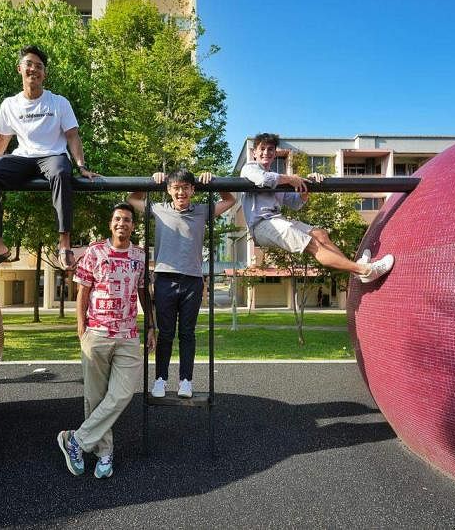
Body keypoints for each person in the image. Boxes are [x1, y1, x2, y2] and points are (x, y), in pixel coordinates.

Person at [0, 45, 98, 274]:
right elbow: (1, 140)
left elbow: (73, 135)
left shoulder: (59, 102)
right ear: (20, 69)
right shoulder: (10, 104)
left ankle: (64, 244)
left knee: (63, 173)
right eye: (30, 65)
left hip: (53, 156)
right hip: (23, 158)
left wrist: (81, 166)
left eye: (39, 67)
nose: (34, 69)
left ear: (45, 73)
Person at [57, 203, 155, 479]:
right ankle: (104, 453)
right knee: (95, 397)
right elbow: (82, 291)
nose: (121, 223)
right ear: (110, 224)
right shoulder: (95, 251)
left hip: (127, 337)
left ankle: (75, 440)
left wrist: (151, 327)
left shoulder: (139, 255)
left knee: (122, 394)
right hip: (97, 334)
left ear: (133, 226)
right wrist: (81, 328)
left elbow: (144, 293)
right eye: (117, 219)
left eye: (127, 219)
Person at [128, 170, 235, 399]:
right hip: (165, 278)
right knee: (165, 333)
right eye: (176, 187)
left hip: (192, 280)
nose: (181, 192)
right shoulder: (159, 209)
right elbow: (131, 199)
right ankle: (161, 379)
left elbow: (230, 200)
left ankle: (186, 381)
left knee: (187, 333)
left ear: (193, 190)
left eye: (186, 187)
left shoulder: (201, 211)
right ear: (169, 190)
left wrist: (214, 181)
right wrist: (149, 181)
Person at [240, 133, 394, 283]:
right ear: (255, 153)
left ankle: (357, 270)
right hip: (261, 224)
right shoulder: (250, 168)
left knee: (320, 234)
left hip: (277, 220)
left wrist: (308, 186)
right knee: (313, 245)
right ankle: (367, 271)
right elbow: (262, 179)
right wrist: (291, 179)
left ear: (275, 153)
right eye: (262, 149)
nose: (266, 152)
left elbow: (295, 203)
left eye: (270, 149)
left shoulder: (278, 177)